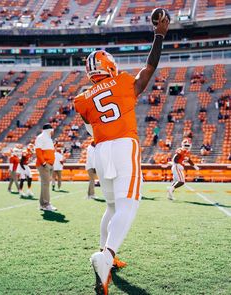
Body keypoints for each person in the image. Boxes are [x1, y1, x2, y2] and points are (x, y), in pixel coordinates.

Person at [74, 15, 169, 295]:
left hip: (101, 149)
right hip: (124, 145)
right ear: (110, 65)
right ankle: (105, 257)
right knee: (129, 204)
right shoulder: (123, 82)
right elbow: (149, 68)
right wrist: (159, 35)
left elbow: (92, 124)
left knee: (113, 206)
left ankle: (108, 255)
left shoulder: (82, 98)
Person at [35, 123, 56, 211]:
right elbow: (38, 151)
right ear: (49, 130)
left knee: (45, 184)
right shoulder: (41, 137)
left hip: (48, 164)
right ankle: (46, 204)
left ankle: (42, 204)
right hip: (44, 164)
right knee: (46, 184)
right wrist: (44, 163)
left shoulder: (47, 138)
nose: (52, 131)